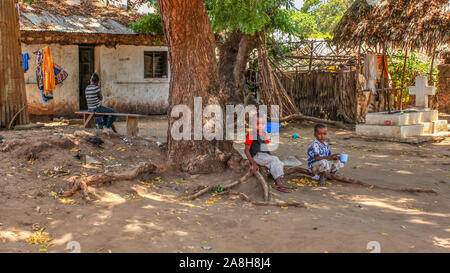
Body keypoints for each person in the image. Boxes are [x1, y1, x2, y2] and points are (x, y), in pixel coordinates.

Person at [244, 115, 291, 193]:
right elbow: (246, 151)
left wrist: (271, 155)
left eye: (263, 124)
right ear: (252, 124)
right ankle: (278, 182)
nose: (261, 126)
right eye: (258, 124)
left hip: (264, 155)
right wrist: (253, 164)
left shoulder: (264, 134)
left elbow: (266, 147)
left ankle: (280, 180)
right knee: (274, 160)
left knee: (277, 161)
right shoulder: (251, 134)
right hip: (257, 156)